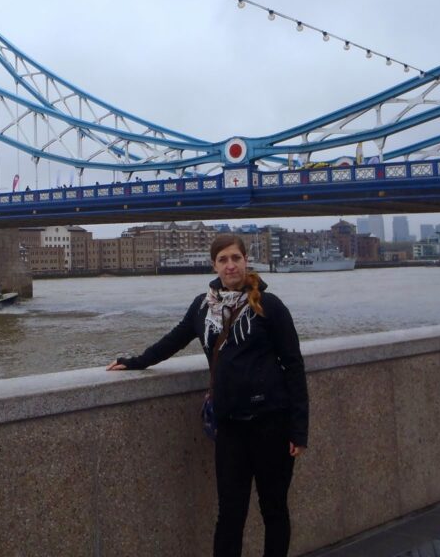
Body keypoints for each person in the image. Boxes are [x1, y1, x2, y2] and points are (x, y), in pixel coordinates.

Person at [106, 234, 308, 557]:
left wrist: (299, 430)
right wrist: (135, 361)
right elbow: (173, 340)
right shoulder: (203, 307)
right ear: (213, 264)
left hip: (272, 423)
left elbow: (294, 366)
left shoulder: (269, 306)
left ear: (246, 261)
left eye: (236, 259)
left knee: (274, 509)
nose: (230, 266)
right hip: (230, 427)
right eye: (223, 260)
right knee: (230, 515)